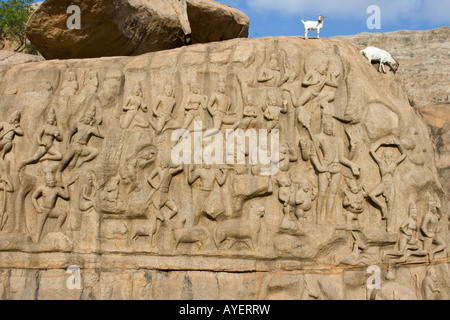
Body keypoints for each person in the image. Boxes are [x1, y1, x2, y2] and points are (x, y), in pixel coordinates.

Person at [309, 116, 360, 224]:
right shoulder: (318, 138)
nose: (329, 128)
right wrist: (319, 166)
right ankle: (318, 217)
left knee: (332, 194)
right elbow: (313, 154)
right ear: (323, 127)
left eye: (331, 126)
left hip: (336, 168)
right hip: (325, 167)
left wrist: (352, 164)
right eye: (327, 126)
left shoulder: (338, 140)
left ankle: (328, 217)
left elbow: (342, 158)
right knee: (322, 193)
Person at [368, 138, 406, 231]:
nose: (388, 154)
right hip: (383, 183)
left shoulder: (394, 163)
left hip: (391, 185)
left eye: (390, 154)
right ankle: (382, 206)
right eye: (386, 153)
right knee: (371, 195)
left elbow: (404, 154)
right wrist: (381, 142)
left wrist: (399, 145)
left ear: (392, 156)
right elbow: (372, 151)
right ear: (384, 155)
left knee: (391, 207)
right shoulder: (381, 163)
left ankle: (389, 228)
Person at [57, 106, 104, 172]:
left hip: (82, 147)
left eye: (89, 118)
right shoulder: (78, 124)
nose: (87, 119)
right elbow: (70, 133)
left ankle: (82, 160)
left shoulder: (91, 129)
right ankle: (59, 172)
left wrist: (96, 125)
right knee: (65, 160)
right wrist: (68, 143)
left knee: (95, 151)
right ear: (84, 117)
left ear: (91, 120)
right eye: (86, 117)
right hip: (74, 145)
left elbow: (101, 135)